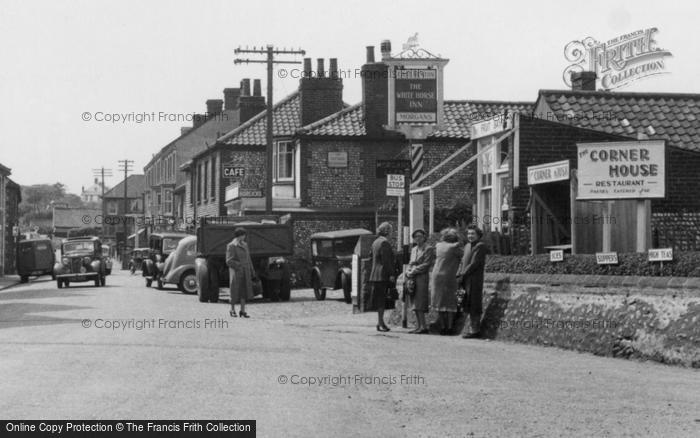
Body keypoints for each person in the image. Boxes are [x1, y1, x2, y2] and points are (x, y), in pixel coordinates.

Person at [430, 228, 463, 335]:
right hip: (449, 276)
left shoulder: (438, 246)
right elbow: (463, 256)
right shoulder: (455, 247)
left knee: (439, 302)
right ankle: (449, 327)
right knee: (450, 302)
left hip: (436, 275)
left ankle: (442, 327)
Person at [457, 225, 489, 338]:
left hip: (474, 279)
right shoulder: (467, 246)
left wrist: (463, 273)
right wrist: (459, 273)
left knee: (474, 304)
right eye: (469, 234)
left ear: (478, 235)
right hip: (465, 278)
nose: (470, 236)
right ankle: (471, 329)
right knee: (467, 303)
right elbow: (462, 261)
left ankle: (475, 330)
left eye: (473, 234)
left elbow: (475, 263)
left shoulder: (480, 246)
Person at [405, 228, 435, 334]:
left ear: (424, 237)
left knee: (420, 301)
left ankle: (423, 326)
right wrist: (408, 271)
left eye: (420, 236)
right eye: (416, 236)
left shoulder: (429, 248)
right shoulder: (414, 249)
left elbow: (427, 264)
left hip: (421, 277)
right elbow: (410, 262)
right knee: (414, 301)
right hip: (412, 277)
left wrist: (414, 270)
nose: (418, 238)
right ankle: (418, 325)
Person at [369, 222, 396, 332]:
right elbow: (386, 261)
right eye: (390, 230)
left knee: (380, 299)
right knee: (382, 300)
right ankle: (381, 323)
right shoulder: (384, 243)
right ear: (386, 231)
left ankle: (380, 322)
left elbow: (371, 257)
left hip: (375, 274)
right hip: (382, 275)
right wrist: (391, 274)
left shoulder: (375, 242)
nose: (391, 233)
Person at [226, 227, 256, 318]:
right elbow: (228, 261)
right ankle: (232, 310)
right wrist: (239, 265)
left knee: (244, 291)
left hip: (245, 271)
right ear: (239, 236)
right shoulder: (231, 245)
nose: (244, 237)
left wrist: (252, 270)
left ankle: (242, 311)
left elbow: (248, 258)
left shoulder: (245, 245)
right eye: (243, 235)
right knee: (234, 291)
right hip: (236, 272)